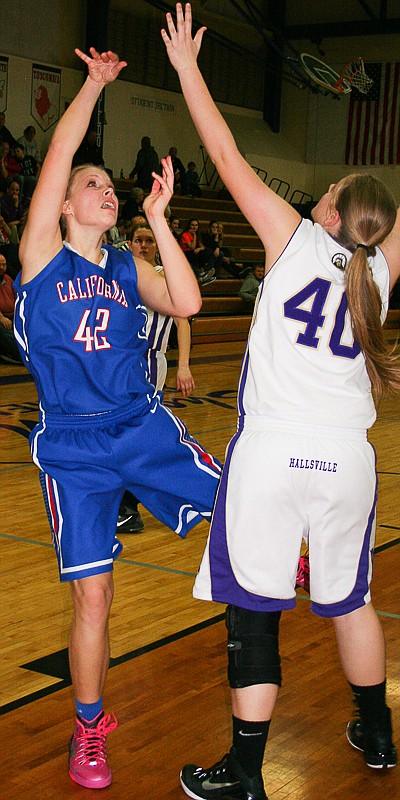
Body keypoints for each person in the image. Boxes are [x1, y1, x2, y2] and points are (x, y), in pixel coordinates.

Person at [162, 6, 400, 799]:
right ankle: (376, 731)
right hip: (348, 460)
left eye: (328, 189)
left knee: (253, 612)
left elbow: (223, 151)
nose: (320, 192)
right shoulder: (381, 273)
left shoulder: (292, 235)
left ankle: (246, 773)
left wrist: (191, 69)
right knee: (351, 601)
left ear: (330, 213)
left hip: (271, 453)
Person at [13, 44, 221, 790]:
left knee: (235, 498)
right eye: (91, 185)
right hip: (73, 447)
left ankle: (266, 548)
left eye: (109, 185)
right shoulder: (42, 257)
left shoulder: (127, 268)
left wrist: (160, 218)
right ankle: (88, 727)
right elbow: (61, 153)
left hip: (138, 421)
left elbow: (190, 303)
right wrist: (95, 87)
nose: (105, 189)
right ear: (66, 207)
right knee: (93, 594)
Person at [118, 222, 196, 534]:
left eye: (150, 240)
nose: (145, 245)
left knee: (144, 437)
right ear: (130, 242)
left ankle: (129, 502)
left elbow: (183, 323)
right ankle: (124, 504)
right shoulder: (117, 274)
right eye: (139, 240)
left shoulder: (165, 276)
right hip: (126, 363)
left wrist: (185, 365)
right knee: (130, 437)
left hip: (155, 362)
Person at [0, 253, 22, 363]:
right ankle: (22, 356)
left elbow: (18, 297)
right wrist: (2, 318)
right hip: (2, 318)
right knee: (6, 333)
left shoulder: (8, 279)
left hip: (13, 315)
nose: (1, 268)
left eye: (4, 265)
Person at [179, 217, 215, 285]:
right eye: (192, 225)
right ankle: (203, 275)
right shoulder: (185, 234)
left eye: (196, 225)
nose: (194, 227)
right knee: (196, 254)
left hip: (193, 253)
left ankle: (205, 271)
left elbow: (202, 247)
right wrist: (194, 236)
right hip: (185, 254)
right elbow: (192, 247)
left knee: (209, 252)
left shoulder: (197, 235)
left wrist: (199, 249)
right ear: (189, 226)